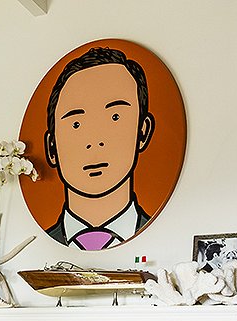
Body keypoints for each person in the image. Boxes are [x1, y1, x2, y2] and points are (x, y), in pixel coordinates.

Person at [43, 46, 156, 250]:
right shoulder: (39, 247)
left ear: (143, 131)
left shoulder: (166, 236)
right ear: (52, 147)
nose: (94, 142)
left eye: (115, 117)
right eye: (76, 124)